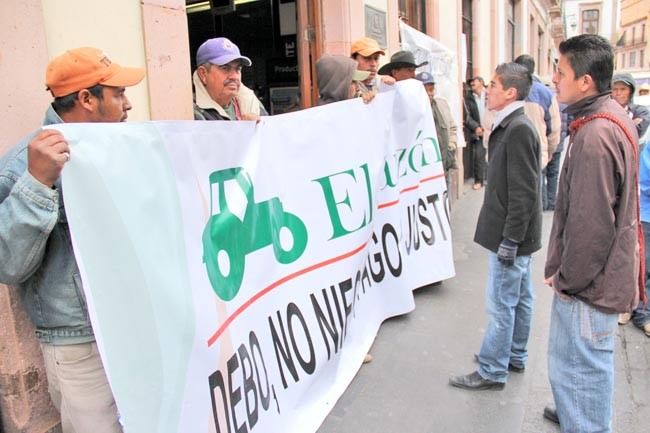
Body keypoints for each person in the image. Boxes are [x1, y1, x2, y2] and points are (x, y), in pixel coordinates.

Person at [0, 47, 145, 432]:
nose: (128, 104)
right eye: (118, 94)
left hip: (132, 324)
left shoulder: (120, 147)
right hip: (80, 344)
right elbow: (8, 265)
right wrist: (37, 183)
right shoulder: (23, 165)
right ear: (86, 99)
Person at [543, 34, 645, 431]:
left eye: (561, 71)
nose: (554, 79)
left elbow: (591, 227)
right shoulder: (607, 117)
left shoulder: (596, 134)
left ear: (585, 81)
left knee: (580, 379)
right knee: (586, 380)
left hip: (589, 289)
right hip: (600, 284)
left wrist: (566, 279)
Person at [449, 62, 541, 391]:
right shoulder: (513, 124)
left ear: (510, 92)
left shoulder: (517, 128)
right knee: (520, 297)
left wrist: (511, 239)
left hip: (512, 234)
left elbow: (525, 191)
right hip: (516, 233)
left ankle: (492, 369)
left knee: (502, 303)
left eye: (494, 85)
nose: (488, 89)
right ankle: (512, 355)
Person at [193, 37, 266, 121]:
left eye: (238, 69)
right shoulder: (190, 112)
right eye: (225, 68)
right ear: (203, 74)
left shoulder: (250, 101)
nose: (234, 76)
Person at [416, 71, 457, 188]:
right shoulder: (414, 109)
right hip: (425, 166)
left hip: (443, 162)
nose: (429, 93)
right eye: (425, 90)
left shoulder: (441, 104)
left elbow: (452, 127)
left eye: (431, 90)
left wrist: (452, 144)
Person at [463, 77, 487, 190]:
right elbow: (467, 116)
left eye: (474, 81)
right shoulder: (469, 99)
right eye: (470, 82)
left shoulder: (490, 95)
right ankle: (479, 180)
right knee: (478, 157)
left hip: (491, 130)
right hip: (478, 132)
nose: (472, 83)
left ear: (481, 83)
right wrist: (476, 127)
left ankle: (492, 180)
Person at [610, 73, 650, 139]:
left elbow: (636, 133)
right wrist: (631, 124)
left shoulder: (641, 111)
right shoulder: (604, 111)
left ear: (631, 91)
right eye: (615, 89)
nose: (618, 93)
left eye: (623, 89)